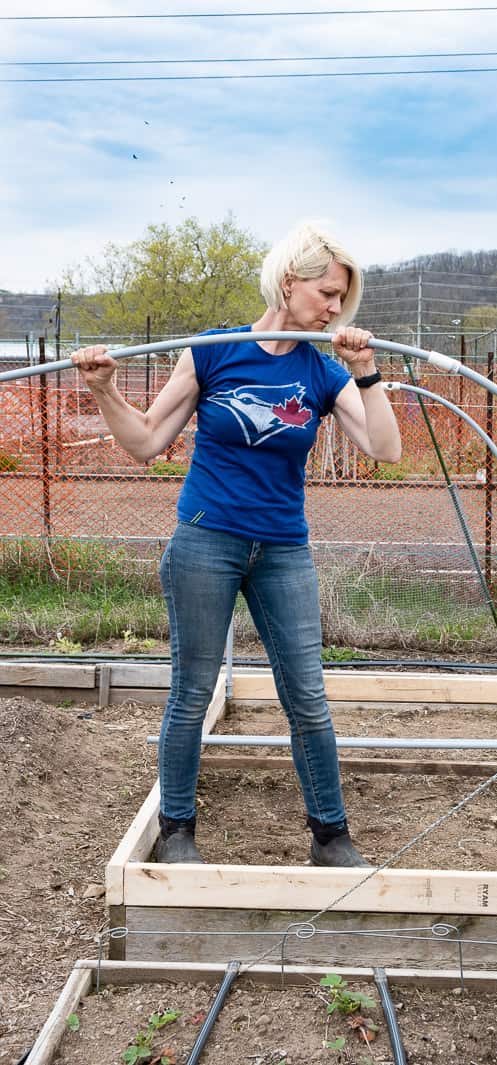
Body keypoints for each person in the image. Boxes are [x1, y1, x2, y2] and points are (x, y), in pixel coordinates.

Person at [71, 222, 401, 867]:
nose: (335, 309)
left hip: (282, 549)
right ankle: (177, 832)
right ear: (289, 282)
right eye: (328, 294)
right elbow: (144, 442)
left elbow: (384, 448)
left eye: (341, 300)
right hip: (205, 542)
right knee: (192, 691)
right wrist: (105, 389)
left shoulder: (322, 370)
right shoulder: (212, 351)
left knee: (305, 693)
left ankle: (331, 837)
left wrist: (366, 372)